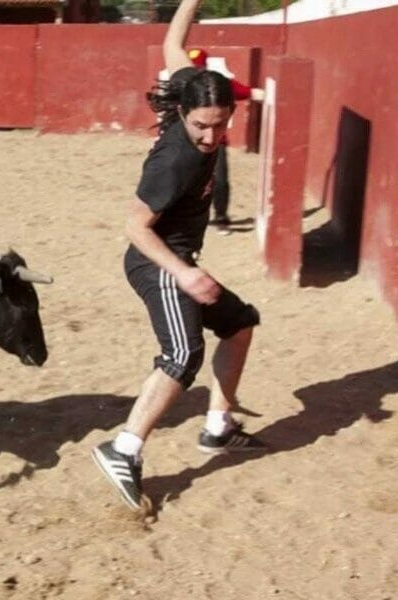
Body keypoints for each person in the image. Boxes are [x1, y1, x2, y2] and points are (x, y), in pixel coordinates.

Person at [91, 0, 265, 511]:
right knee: (182, 356)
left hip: (180, 259)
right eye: (202, 127)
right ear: (184, 113)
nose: (212, 137)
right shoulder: (176, 160)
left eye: (220, 125)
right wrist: (185, 274)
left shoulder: (193, 86)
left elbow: (172, 43)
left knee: (240, 323)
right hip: (158, 260)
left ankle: (217, 426)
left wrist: (191, 1)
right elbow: (134, 226)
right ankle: (123, 448)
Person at [186, 47, 264, 234]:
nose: (197, 71)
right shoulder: (184, 84)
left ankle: (221, 217)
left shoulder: (218, 84)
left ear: (205, 65)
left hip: (216, 142)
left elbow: (246, 92)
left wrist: (262, 94)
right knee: (187, 180)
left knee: (220, 179)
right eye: (194, 68)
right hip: (188, 142)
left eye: (199, 67)